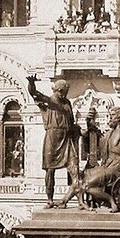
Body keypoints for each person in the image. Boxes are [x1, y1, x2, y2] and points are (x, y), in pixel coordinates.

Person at [25, 76, 79, 208]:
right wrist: (31, 83)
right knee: (50, 171)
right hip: (52, 138)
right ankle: (49, 199)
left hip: (66, 138)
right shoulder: (52, 101)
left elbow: (71, 121)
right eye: (64, 90)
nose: (63, 93)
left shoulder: (67, 103)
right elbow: (35, 94)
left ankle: (79, 199)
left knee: (74, 168)